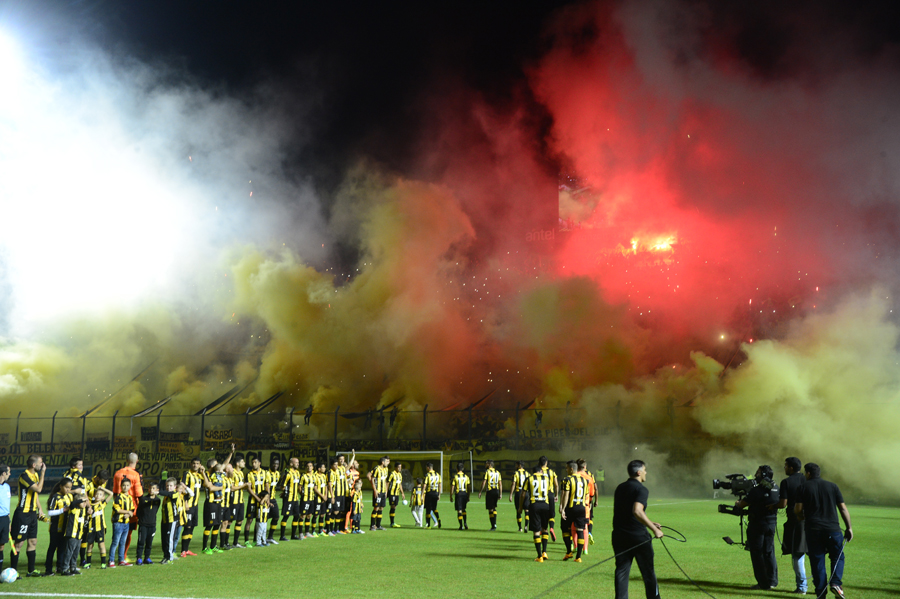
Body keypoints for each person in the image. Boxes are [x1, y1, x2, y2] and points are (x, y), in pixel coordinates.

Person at [795, 463, 852, 599]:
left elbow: (798, 509)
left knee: (817, 561)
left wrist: (801, 517)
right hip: (833, 529)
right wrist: (849, 527)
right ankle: (836, 583)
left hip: (813, 529)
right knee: (837, 556)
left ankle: (821, 594)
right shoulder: (833, 486)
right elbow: (843, 508)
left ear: (808, 473)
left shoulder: (802, 487)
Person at [612, 460, 663, 599]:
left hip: (619, 536)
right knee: (648, 573)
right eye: (644, 470)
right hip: (638, 538)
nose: (646, 473)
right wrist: (654, 530)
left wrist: (650, 522)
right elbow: (637, 511)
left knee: (621, 572)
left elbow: (626, 513)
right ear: (639, 472)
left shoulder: (620, 487)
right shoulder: (641, 489)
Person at [735, 465, 779, 591]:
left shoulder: (757, 490)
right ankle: (772, 581)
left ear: (763, 475)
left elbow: (743, 504)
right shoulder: (776, 487)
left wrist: (738, 503)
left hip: (758, 524)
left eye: (758, 473)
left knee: (757, 554)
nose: (755, 475)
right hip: (771, 524)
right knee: (769, 552)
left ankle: (763, 583)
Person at [10, 454, 47, 577]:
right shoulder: (24, 476)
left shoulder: (35, 475)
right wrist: (43, 473)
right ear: (34, 465)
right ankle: (13, 571)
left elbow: (35, 495)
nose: (42, 465)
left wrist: (39, 509)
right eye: (40, 463)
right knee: (19, 543)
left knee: (33, 541)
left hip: (32, 514)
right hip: (23, 514)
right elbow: (38, 489)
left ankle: (31, 570)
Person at [777, 457, 808, 595]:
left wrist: (772, 506)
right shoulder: (807, 480)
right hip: (812, 520)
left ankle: (802, 587)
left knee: (797, 555)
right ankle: (820, 586)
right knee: (814, 556)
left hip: (795, 521)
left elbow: (783, 503)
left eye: (785, 466)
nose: (784, 468)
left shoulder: (786, 482)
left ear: (791, 468)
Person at [112, 452, 143, 563]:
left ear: (126, 460)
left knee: (117, 535)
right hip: (131, 510)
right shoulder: (136, 474)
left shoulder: (117, 473)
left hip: (118, 509)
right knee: (127, 533)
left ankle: (113, 558)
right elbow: (139, 494)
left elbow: (115, 492)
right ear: (137, 461)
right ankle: (123, 556)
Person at [559, 460, 589, 562]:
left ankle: (569, 552)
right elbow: (586, 494)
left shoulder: (567, 480)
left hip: (571, 508)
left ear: (571, 469)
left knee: (565, 528)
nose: (566, 470)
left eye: (567, 468)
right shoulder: (584, 480)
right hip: (581, 508)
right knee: (580, 530)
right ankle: (578, 557)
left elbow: (566, 495)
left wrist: (563, 508)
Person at [44, 479, 73, 575]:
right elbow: (50, 512)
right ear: (61, 486)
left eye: (70, 488)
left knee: (62, 548)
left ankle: (60, 567)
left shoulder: (69, 496)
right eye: (66, 487)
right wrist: (63, 510)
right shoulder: (55, 497)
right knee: (52, 547)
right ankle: (48, 569)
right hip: (55, 527)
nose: (68, 489)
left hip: (65, 527)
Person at [522, 465, 551, 562]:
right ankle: (544, 552)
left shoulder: (529, 478)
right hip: (545, 505)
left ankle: (539, 556)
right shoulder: (547, 478)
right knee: (545, 528)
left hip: (534, 505)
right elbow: (549, 492)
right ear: (541, 471)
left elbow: (523, 494)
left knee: (536, 531)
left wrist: (521, 506)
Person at [160, 477, 191, 564]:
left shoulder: (175, 494)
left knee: (170, 539)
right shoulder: (166, 496)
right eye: (167, 486)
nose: (168, 487)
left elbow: (168, 494)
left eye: (170, 486)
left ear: (175, 487)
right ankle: (165, 556)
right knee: (164, 539)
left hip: (172, 520)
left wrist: (157, 491)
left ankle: (170, 558)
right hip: (165, 520)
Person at [59, 492, 89, 576]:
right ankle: (65, 569)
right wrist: (81, 500)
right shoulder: (73, 509)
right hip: (71, 534)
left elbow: (81, 524)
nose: (84, 503)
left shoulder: (83, 511)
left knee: (75, 553)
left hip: (79, 535)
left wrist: (81, 535)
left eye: (85, 502)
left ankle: (73, 568)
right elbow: (72, 503)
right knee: (69, 552)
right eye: (82, 502)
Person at [83, 480, 111, 569]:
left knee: (101, 545)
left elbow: (111, 494)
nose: (98, 495)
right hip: (91, 529)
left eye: (100, 494)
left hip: (100, 529)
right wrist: (88, 514)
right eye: (97, 494)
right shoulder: (90, 506)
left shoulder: (102, 504)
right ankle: (88, 563)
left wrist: (102, 488)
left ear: (103, 497)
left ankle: (103, 563)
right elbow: (87, 519)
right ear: (94, 495)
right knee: (90, 545)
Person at [109, 477, 136, 567]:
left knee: (123, 542)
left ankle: (121, 560)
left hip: (126, 523)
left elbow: (132, 509)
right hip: (118, 522)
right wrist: (128, 512)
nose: (125, 487)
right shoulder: (118, 497)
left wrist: (129, 514)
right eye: (124, 485)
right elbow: (117, 509)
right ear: (121, 486)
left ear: (130, 486)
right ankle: (111, 560)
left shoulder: (130, 497)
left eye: (127, 485)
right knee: (115, 542)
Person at [181, 457, 204, 557]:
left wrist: (203, 472)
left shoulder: (199, 475)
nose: (195, 465)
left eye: (197, 463)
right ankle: (183, 550)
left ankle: (187, 549)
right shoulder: (187, 474)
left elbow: (207, 482)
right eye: (194, 463)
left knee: (192, 526)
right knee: (187, 526)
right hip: (189, 505)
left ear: (200, 465)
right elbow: (182, 487)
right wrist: (185, 502)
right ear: (191, 464)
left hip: (195, 506)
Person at [135, 481, 162, 565]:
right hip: (143, 524)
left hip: (152, 525)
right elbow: (139, 511)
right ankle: (139, 558)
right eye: (150, 488)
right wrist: (141, 519)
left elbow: (155, 511)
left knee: (149, 543)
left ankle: (147, 557)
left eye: (153, 488)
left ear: (157, 490)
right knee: (141, 542)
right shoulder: (143, 499)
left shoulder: (158, 500)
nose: (151, 490)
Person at [244, 456, 268, 546]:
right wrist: (257, 498)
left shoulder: (265, 473)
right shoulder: (249, 474)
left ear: (259, 463)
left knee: (258, 520)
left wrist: (267, 498)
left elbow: (267, 486)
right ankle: (247, 541)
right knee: (249, 520)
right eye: (252, 463)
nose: (253, 464)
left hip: (262, 501)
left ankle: (256, 540)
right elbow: (249, 489)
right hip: (253, 501)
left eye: (255, 462)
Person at [279, 457, 302, 541]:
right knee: (286, 516)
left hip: (295, 499)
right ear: (291, 464)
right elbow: (282, 486)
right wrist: (285, 492)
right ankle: (282, 536)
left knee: (297, 516)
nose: (298, 464)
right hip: (289, 498)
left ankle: (293, 535)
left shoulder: (297, 473)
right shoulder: (288, 474)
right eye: (296, 462)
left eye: (298, 462)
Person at [478, 459, 502, 530]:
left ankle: (493, 525)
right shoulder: (497, 472)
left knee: (490, 509)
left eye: (486, 463)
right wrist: (500, 493)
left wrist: (480, 491)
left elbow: (484, 482)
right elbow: (500, 484)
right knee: (494, 507)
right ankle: (494, 524)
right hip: (496, 491)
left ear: (489, 464)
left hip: (490, 491)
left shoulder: (486, 472)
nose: (485, 465)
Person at [367, 455, 390, 531]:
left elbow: (385, 481)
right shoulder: (377, 469)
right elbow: (372, 479)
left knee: (381, 508)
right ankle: (372, 525)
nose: (388, 463)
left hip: (383, 491)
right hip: (378, 492)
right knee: (376, 508)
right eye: (386, 461)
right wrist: (375, 490)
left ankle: (378, 525)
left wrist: (386, 491)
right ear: (383, 462)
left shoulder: (386, 469)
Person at [509, 460, 530, 532]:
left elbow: (513, 484)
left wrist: (511, 494)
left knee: (518, 510)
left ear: (519, 465)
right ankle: (526, 526)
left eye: (516, 465)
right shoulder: (527, 474)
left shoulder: (515, 473)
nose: (516, 466)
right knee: (527, 510)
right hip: (526, 493)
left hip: (519, 492)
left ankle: (520, 528)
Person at [451, 462, 470, 530]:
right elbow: (468, 487)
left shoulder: (455, 477)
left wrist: (451, 495)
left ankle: (461, 526)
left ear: (457, 469)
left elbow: (452, 486)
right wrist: (468, 496)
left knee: (459, 510)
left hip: (458, 494)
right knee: (463, 509)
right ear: (463, 468)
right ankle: (465, 523)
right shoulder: (466, 476)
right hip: (465, 493)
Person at [423, 462, 442, 528]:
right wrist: (439, 494)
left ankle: (428, 525)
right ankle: (438, 518)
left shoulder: (427, 475)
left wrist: (422, 494)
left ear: (428, 467)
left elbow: (424, 485)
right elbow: (440, 485)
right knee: (434, 508)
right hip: (435, 493)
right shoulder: (438, 475)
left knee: (428, 509)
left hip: (429, 493)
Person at [387, 462, 406, 528]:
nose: (400, 468)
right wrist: (386, 492)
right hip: (392, 493)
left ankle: (392, 522)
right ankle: (392, 523)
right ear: (395, 467)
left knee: (394, 507)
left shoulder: (400, 475)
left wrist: (402, 493)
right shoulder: (392, 474)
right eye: (398, 467)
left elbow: (400, 484)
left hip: (397, 494)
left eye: (400, 467)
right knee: (392, 507)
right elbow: (388, 482)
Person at [0, 463, 11, 574]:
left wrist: (8, 522)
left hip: (4, 519)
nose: (10, 474)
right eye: (8, 472)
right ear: (3, 473)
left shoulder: (7, 487)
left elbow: (6, 506)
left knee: (1, 546)